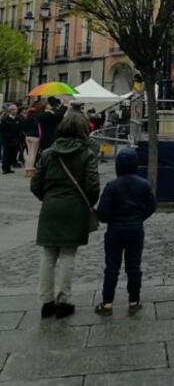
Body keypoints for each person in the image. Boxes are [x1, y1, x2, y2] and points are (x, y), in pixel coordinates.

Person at [30, 112, 100, 318]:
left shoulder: (48, 153)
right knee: (68, 255)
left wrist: (49, 198)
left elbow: (35, 184)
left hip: (51, 207)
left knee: (48, 255)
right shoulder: (87, 154)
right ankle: (63, 300)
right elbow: (93, 186)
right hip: (75, 208)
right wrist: (85, 202)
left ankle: (46, 301)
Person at [94, 148, 157, 315]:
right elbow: (152, 206)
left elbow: (102, 212)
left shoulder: (112, 186)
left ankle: (107, 303)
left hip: (115, 229)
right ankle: (134, 300)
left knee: (112, 267)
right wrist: (139, 217)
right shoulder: (143, 184)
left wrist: (110, 219)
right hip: (135, 229)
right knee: (134, 266)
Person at [0, 104, 24, 174]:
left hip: (16, 139)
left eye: (16, 109)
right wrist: (9, 136)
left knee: (12, 154)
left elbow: (21, 128)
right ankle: (5, 168)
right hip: (7, 140)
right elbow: (2, 129)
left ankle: (9, 167)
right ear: (11, 111)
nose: (16, 111)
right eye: (15, 109)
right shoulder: (5, 119)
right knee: (6, 154)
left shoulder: (18, 119)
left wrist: (19, 136)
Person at [23, 102, 43, 177]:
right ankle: (30, 171)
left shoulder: (28, 114)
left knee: (29, 154)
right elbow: (38, 125)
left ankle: (26, 170)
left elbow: (24, 126)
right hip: (35, 136)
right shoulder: (38, 115)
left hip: (28, 136)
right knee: (33, 154)